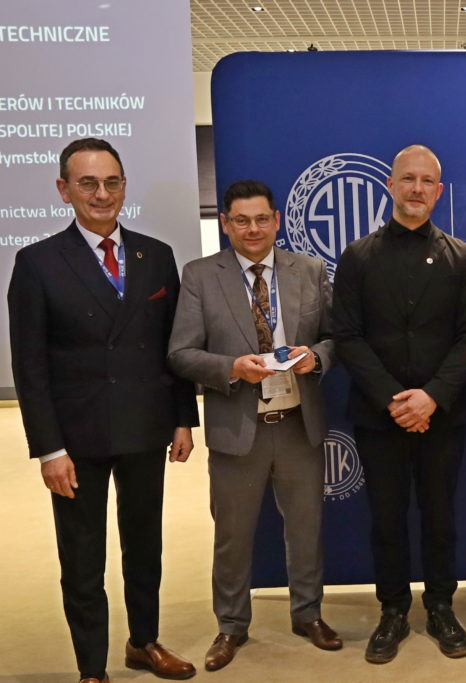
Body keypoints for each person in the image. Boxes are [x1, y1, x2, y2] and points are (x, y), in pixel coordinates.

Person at [7, 138, 199, 683]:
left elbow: (172, 347)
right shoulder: (37, 262)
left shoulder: (155, 255)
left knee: (145, 545)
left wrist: (183, 418)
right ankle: (92, 668)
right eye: (88, 183)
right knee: (83, 558)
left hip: (145, 427)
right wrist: (48, 449)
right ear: (64, 189)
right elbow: (30, 366)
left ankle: (144, 642)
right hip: (76, 438)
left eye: (112, 182)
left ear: (124, 186)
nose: (102, 193)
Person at [167, 180, 340, 671]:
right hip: (238, 425)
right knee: (233, 535)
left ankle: (308, 614)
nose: (253, 229)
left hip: (298, 423)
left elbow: (335, 336)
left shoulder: (309, 270)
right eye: (241, 221)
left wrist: (317, 358)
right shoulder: (201, 275)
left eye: (262, 219)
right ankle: (231, 625)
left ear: (277, 220)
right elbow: (180, 353)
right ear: (225, 224)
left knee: (305, 529)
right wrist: (231, 368)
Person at [332, 144, 466, 664]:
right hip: (379, 416)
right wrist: (394, 401)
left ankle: (441, 607)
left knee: (440, 518)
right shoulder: (357, 257)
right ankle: (393, 610)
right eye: (407, 179)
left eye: (426, 181)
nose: (416, 188)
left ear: (438, 192)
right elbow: (347, 336)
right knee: (386, 520)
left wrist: (431, 397)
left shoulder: (462, 258)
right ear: (391, 185)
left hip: (442, 414)